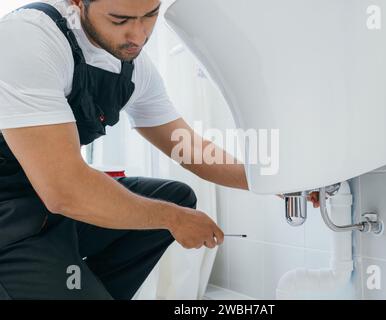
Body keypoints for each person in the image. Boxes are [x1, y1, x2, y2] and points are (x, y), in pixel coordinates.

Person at [0, 0, 319, 299]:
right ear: (76, 3)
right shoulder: (28, 39)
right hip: (11, 218)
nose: (138, 35)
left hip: (49, 210)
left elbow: (188, 147)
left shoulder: (133, 65)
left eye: (150, 15)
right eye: (120, 19)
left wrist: (275, 179)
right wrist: (174, 219)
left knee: (176, 197)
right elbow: (65, 190)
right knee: (170, 211)